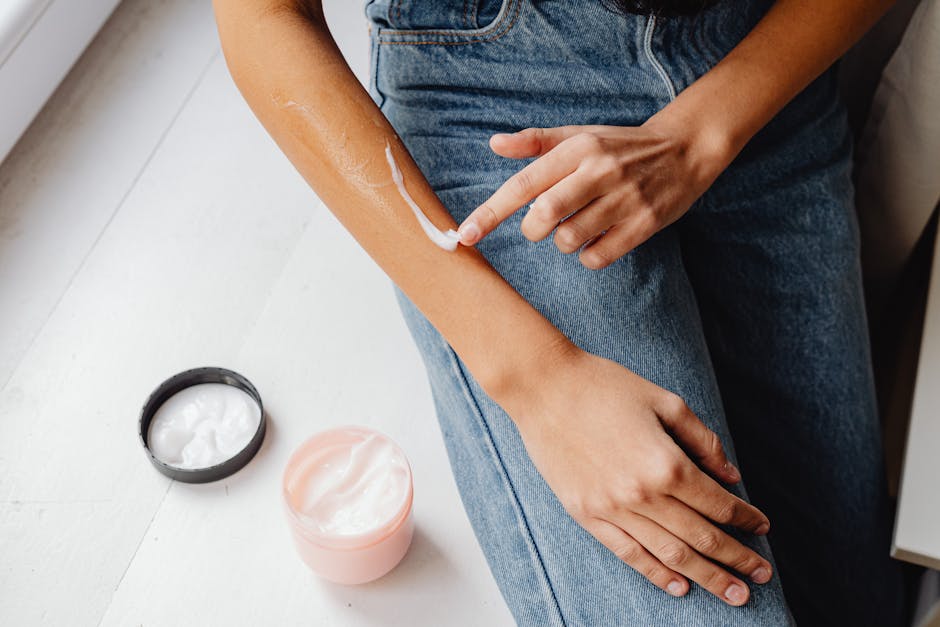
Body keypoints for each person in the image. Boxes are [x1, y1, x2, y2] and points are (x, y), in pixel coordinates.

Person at [212, 0, 909, 624]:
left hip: (761, 52)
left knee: (860, 603)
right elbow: (261, 18)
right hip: (487, 84)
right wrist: (539, 379)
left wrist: (699, 136)